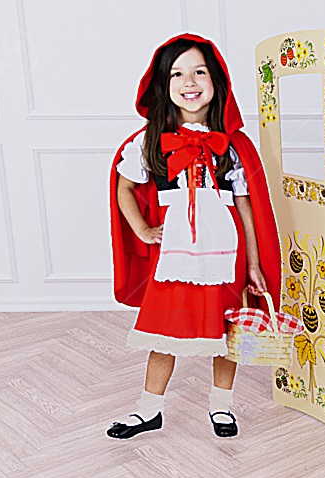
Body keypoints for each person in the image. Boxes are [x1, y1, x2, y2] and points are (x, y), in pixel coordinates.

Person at [108, 34, 281, 439]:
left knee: (227, 332)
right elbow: (124, 188)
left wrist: (254, 263)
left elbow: (246, 206)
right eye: (177, 73)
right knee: (162, 331)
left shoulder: (233, 146)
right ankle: (149, 409)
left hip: (226, 253)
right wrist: (143, 230)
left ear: (216, 81)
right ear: (163, 85)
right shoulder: (149, 140)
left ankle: (221, 406)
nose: (189, 81)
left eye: (199, 71)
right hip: (176, 253)